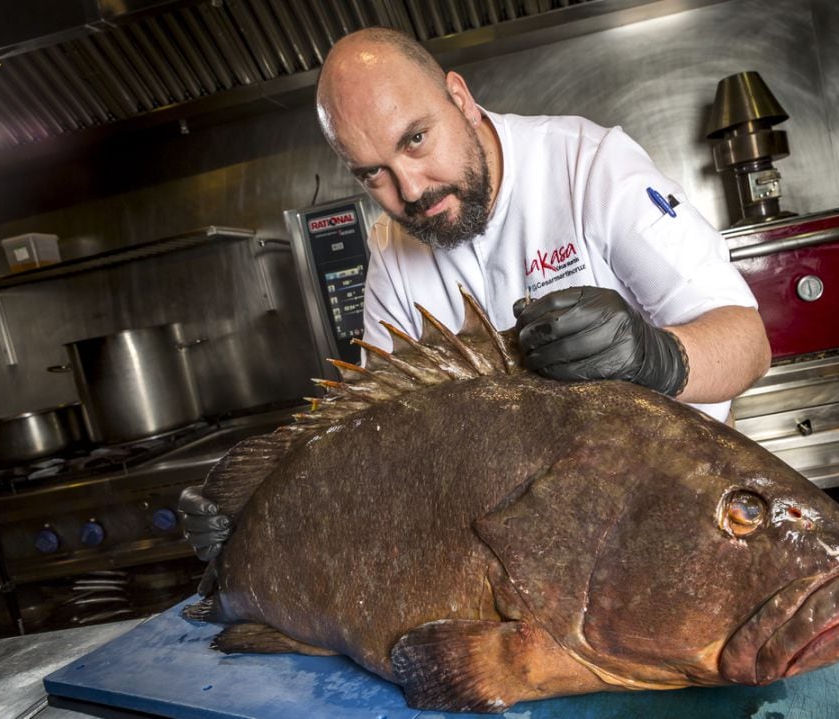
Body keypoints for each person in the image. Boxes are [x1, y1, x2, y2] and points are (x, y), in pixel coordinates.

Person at [179, 27, 771, 561]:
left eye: (415, 139)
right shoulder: (391, 248)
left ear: (459, 99)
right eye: (371, 174)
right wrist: (260, 506)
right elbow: (376, 431)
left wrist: (656, 357)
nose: (409, 189)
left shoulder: (589, 166)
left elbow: (747, 342)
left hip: (678, 511)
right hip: (528, 542)